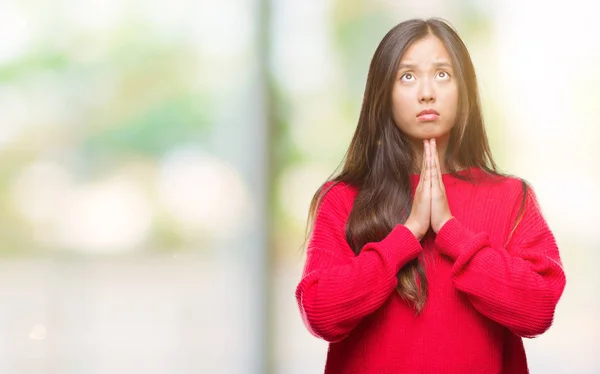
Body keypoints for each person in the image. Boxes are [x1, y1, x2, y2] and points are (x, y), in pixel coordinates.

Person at [295, 18, 566, 374]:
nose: (427, 92)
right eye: (407, 76)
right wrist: (406, 236)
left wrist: (451, 230)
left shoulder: (511, 197)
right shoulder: (343, 198)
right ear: (384, 93)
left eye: (442, 74)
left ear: (463, 89)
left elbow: (538, 309)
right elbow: (320, 314)